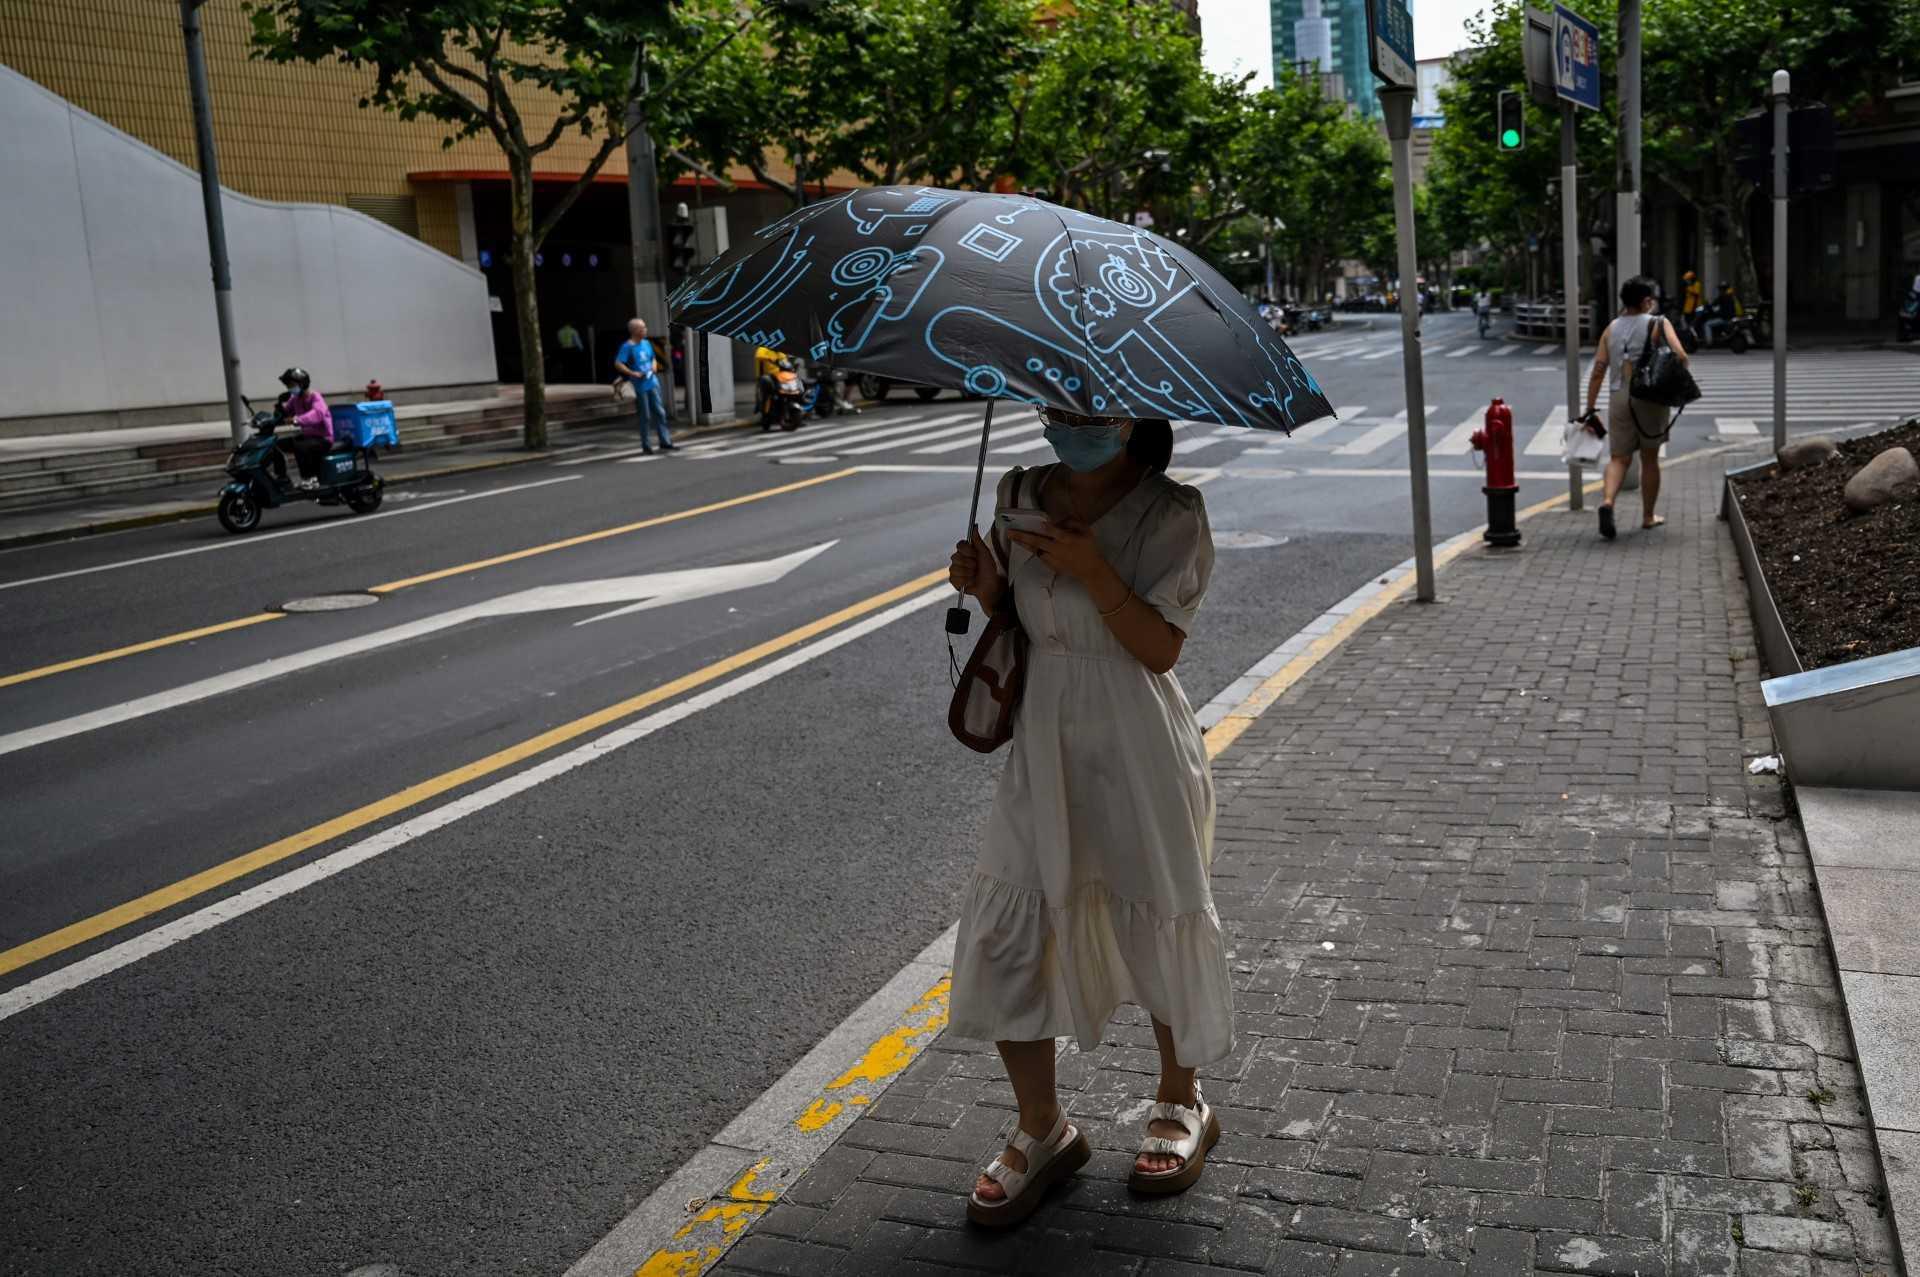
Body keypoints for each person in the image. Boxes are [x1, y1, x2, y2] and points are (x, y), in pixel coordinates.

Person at [945, 411, 1229, 1227]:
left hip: (1138, 741)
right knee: (1010, 930)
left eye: (1091, 408)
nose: (1069, 421)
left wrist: (1094, 569)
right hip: (1044, 741)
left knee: (1159, 910)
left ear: (1133, 417)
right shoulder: (1021, 493)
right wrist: (986, 583)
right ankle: (1044, 1128)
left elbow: (1160, 647)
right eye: (1058, 404)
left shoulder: (1173, 511)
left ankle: (1181, 1099)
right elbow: (1026, 619)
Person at [1581, 275, 1689, 539]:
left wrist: (1590, 407)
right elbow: (1681, 356)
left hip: (1619, 396)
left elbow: (1597, 371)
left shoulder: (1611, 328)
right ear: (1646, 301)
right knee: (1650, 458)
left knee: (1619, 458)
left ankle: (1607, 502)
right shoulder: (1658, 323)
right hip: (1650, 397)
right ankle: (1648, 516)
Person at [615, 319, 674, 453]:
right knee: (645, 416)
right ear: (635, 331)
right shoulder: (627, 347)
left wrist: (653, 367)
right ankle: (646, 445)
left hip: (652, 382)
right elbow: (618, 363)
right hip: (640, 385)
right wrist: (632, 373)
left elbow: (652, 358)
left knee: (660, 412)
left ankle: (665, 441)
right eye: (643, 328)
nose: (646, 330)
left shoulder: (646, 343)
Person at [270, 367, 331, 490]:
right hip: (308, 437)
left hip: (323, 438)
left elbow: (317, 414)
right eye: (288, 386)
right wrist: (278, 411)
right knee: (274, 445)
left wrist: (297, 419)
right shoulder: (295, 399)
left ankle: (310, 479)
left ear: (302, 384)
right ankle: (282, 478)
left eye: (292, 385)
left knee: (300, 446)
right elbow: (286, 411)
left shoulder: (315, 397)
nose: (289, 388)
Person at [754, 344, 786, 427]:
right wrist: (770, 359)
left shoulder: (781, 352)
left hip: (780, 378)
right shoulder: (763, 349)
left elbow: (785, 362)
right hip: (765, 377)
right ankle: (765, 415)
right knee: (766, 395)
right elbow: (759, 356)